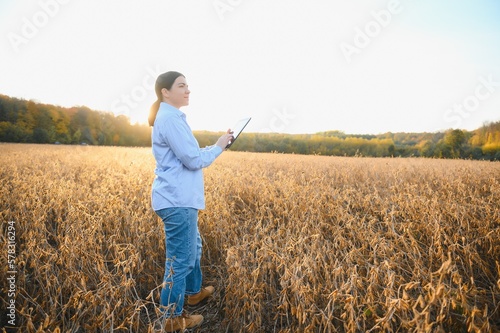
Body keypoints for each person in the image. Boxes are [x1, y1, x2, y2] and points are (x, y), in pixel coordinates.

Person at [149, 71, 233, 331]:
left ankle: (194, 292)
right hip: (177, 199)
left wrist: (218, 144)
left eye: (188, 86)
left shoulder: (171, 116)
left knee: (192, 247)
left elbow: (192, 154)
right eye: (181, 85)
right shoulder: (170, 119)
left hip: (179, 198)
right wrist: (218, 147)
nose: (188, 90)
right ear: (165, 91)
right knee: (179, 260)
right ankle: (169, 319)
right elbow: (194, 160)